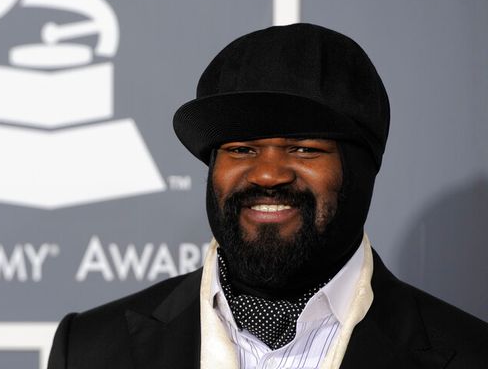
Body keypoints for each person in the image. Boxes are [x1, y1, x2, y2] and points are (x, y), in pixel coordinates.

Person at [47, 23, 488, 369]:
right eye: (241, 149)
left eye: (303, 148)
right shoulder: (90, 350)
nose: (268, 174)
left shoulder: (471, 355)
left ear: (361, 170)